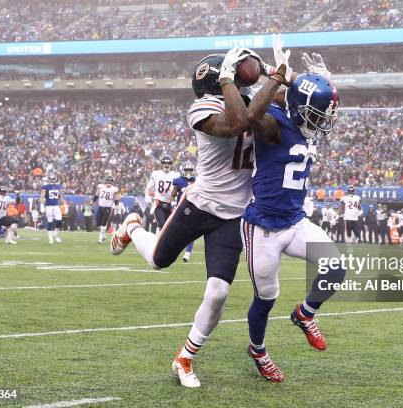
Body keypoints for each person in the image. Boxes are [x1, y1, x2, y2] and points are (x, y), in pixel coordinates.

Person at [110, 47, 263, 388]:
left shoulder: (250, 100)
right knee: (158, 261)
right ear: (220, 80)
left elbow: (280, 100)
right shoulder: (203, 107)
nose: (240, 77)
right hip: (200, 205)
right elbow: (237, 123)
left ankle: (185, 357)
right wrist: (232, 80)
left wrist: (277, 72)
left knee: (219, 293)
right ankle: (132, 226)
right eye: (233, 75)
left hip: (233, 214)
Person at [241, 56, 344, 382]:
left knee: (336, 267)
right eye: (316, 113)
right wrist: (279, 75)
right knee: (266, 298)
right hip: (263, 226)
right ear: (299, 107)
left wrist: (308, 79)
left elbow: (305, 96)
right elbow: (253, 113)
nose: (321, 121)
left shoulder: (299, 118)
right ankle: (257, 350)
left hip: (295, 220)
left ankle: (304, 314)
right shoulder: (272, 122)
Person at [146, 155, 179, 234]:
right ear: (162, 164)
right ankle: (158, 243)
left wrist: (176, 199)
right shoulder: (156, 174)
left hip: (170, 204)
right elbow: (148, 188)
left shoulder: (176, 175)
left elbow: (179, 189)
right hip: (159, 202)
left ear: (171, 164)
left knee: (169, 227)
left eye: (168, 163)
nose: (166, 165)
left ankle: (164, 243)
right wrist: (147, 196)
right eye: (165, 163)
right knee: (161, 224)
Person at [171, 161, 196, 263]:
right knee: (177, 231)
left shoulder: (197, 181)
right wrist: (173, 204)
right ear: (183, 170)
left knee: (191, 232)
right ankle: (174, 251)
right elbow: (173, 195)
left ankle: (187, 253)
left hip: (193, 209)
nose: (189, 172)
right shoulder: (178, 181)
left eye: (190, 170)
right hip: (180, 209)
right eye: (187, 170)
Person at [91, 175, 119, 243]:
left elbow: (115, 198)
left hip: (108, 208)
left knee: (103, 223)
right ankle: (103, 235)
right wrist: (92, 202)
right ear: (105, 181)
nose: (109, 182)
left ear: (112, 182)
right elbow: (96, 195)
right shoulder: (101, 187)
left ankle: (100, 239)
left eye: (110, 181)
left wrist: (117, 206)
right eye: (108, 181)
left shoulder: (114, 189)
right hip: (100, 207)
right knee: (97, 223)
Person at [40, 173, 65, 244]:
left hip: (56, 206)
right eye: (50, 179)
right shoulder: (45, 187)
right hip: (49, 206)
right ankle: (50, 238)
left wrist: (64, 204)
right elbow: (42, 196)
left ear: (55, 179)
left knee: (59, 221)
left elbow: (61, 197)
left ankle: (55, 233)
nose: (52, 180)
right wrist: (42, 205)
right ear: (48, 179)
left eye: (53, 179)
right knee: (50, 222)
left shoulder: (58, 186)